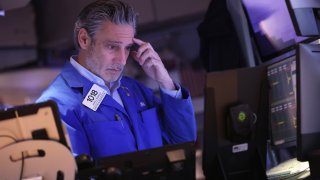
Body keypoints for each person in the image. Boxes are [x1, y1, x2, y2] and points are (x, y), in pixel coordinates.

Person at [37, 0, 197, 159]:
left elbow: (183, 145)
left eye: (127, 48)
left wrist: (165, 82)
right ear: (84, 39)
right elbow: (75, 173)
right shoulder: (56, 105)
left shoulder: (134, 89)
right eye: (112, 47)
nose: (122, 60)